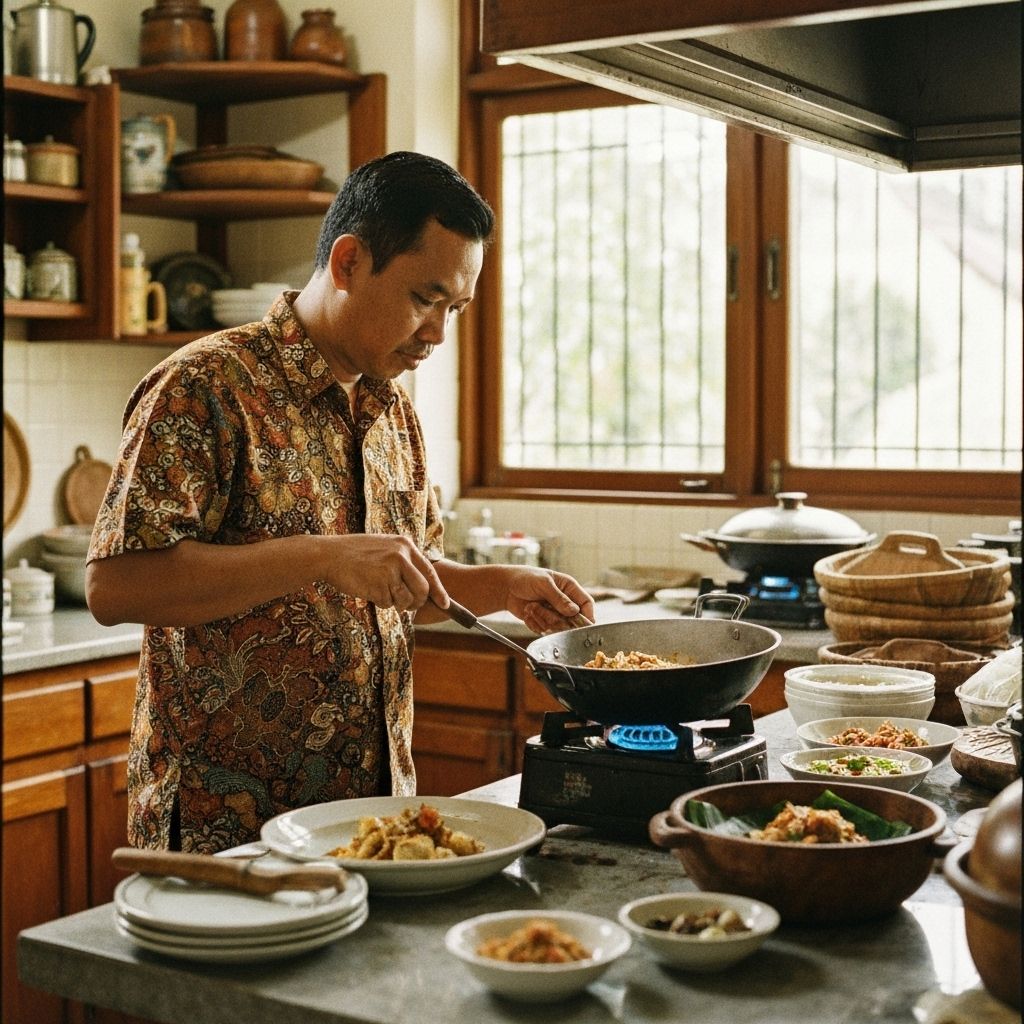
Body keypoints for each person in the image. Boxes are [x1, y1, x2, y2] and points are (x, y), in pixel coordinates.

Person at [86, 151, 595, 854]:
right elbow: (115, 585)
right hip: (227, 833)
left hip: (374, 826)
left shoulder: (394, 412)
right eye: (425, 299)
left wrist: (500, 585)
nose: (439, 334)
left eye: (456, 309)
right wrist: (321, 558)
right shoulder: (204, 385)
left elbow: (400, 582)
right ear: (349, 262)